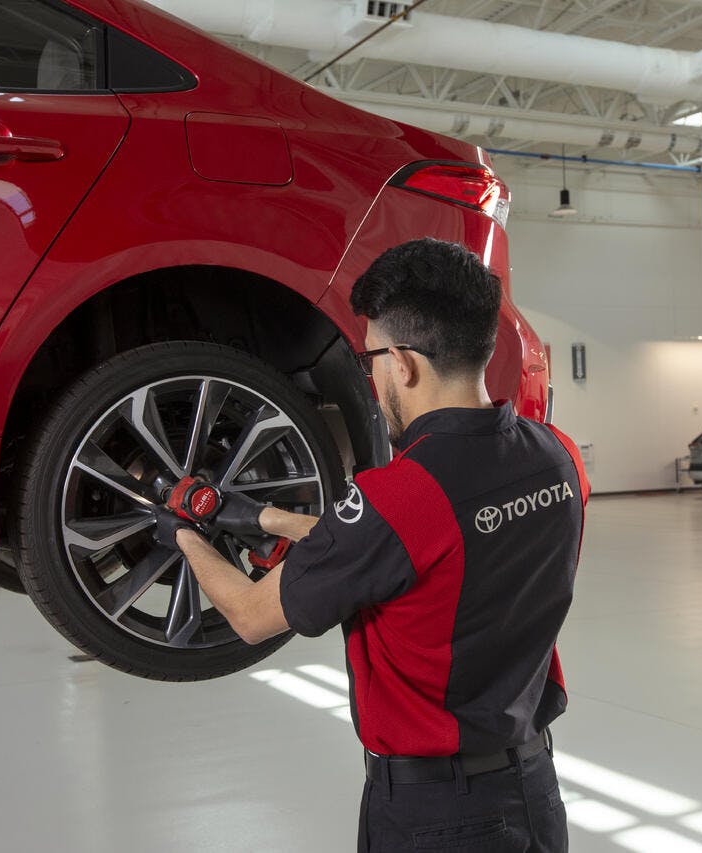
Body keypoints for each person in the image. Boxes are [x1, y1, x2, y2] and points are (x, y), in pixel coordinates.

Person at [154, 238, 587, 852]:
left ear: (403, 363)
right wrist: (269, 518)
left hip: (438, 814)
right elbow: (424, 552)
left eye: (370, 359)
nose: (372, 373)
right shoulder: (560, 459)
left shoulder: (400, 496)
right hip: (536, 791)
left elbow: (251, 616)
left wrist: (182, 532)